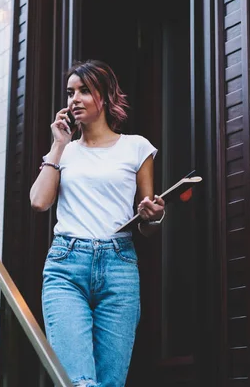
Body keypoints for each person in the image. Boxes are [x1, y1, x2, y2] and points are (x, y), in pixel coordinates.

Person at [29, 59, 165, 387]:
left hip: (119, 266)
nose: (73, 99)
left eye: (84, 91)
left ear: (104, 96)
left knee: (110, 383)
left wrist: (155, 215)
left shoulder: (137, 147)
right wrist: (58, 145)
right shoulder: (65, 151)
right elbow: (38, 201)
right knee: (80, 382)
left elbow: (146, 225)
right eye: (70, 92)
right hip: (66, 267)